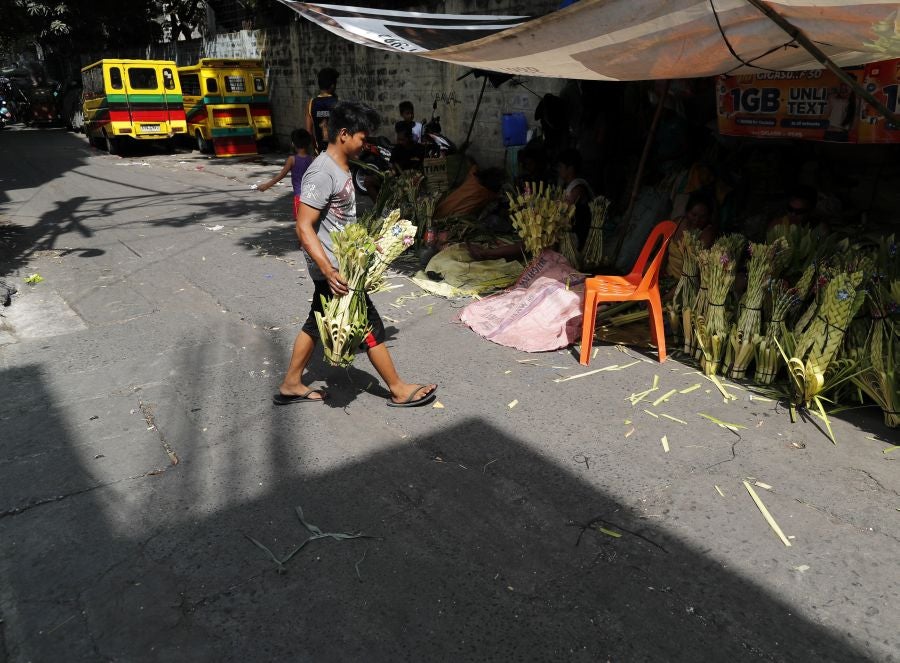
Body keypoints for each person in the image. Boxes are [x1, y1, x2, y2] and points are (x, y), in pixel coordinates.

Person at [275, 101, 437, 408]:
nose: (366, 144)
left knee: (316, 321)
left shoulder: (342, 168)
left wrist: (366, 243)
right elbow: (303, 226)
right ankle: (398, 388)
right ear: (344, 134)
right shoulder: (321, 172)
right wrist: (327, 269)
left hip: (344, 265)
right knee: (369, 324)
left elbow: (340, 220)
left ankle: (291, 383)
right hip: (336, 270)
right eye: (363, 138)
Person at [257, 129, 314, 220]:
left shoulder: (292, 159)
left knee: (300, 224)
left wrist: (267, 185)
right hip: (312, 197)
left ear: (293, 144)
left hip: (299, 197)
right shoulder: (312, 159)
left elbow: (282, 175)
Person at [666, 193, 717, 279]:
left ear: (708, 217)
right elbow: (663, 249)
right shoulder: (678, 222)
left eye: (702, 217)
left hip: (685, 282)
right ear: (687, 212)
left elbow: (697, 269)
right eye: (694, 215)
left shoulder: (707, 234)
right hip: (666, 276)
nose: (697, 220)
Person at [557, 148, 595, 247]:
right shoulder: (567, 185)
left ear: (570, 169)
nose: (558, 170)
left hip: (579, 236)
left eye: (561, 167)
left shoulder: (577, 188)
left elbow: (563, 211)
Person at [306, 67, 339, 154]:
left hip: (320, 151)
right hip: (337, 152)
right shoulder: (338, 102)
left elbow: (309, 132)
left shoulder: (311, 103)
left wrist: (314, 149)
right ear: (333, 85)